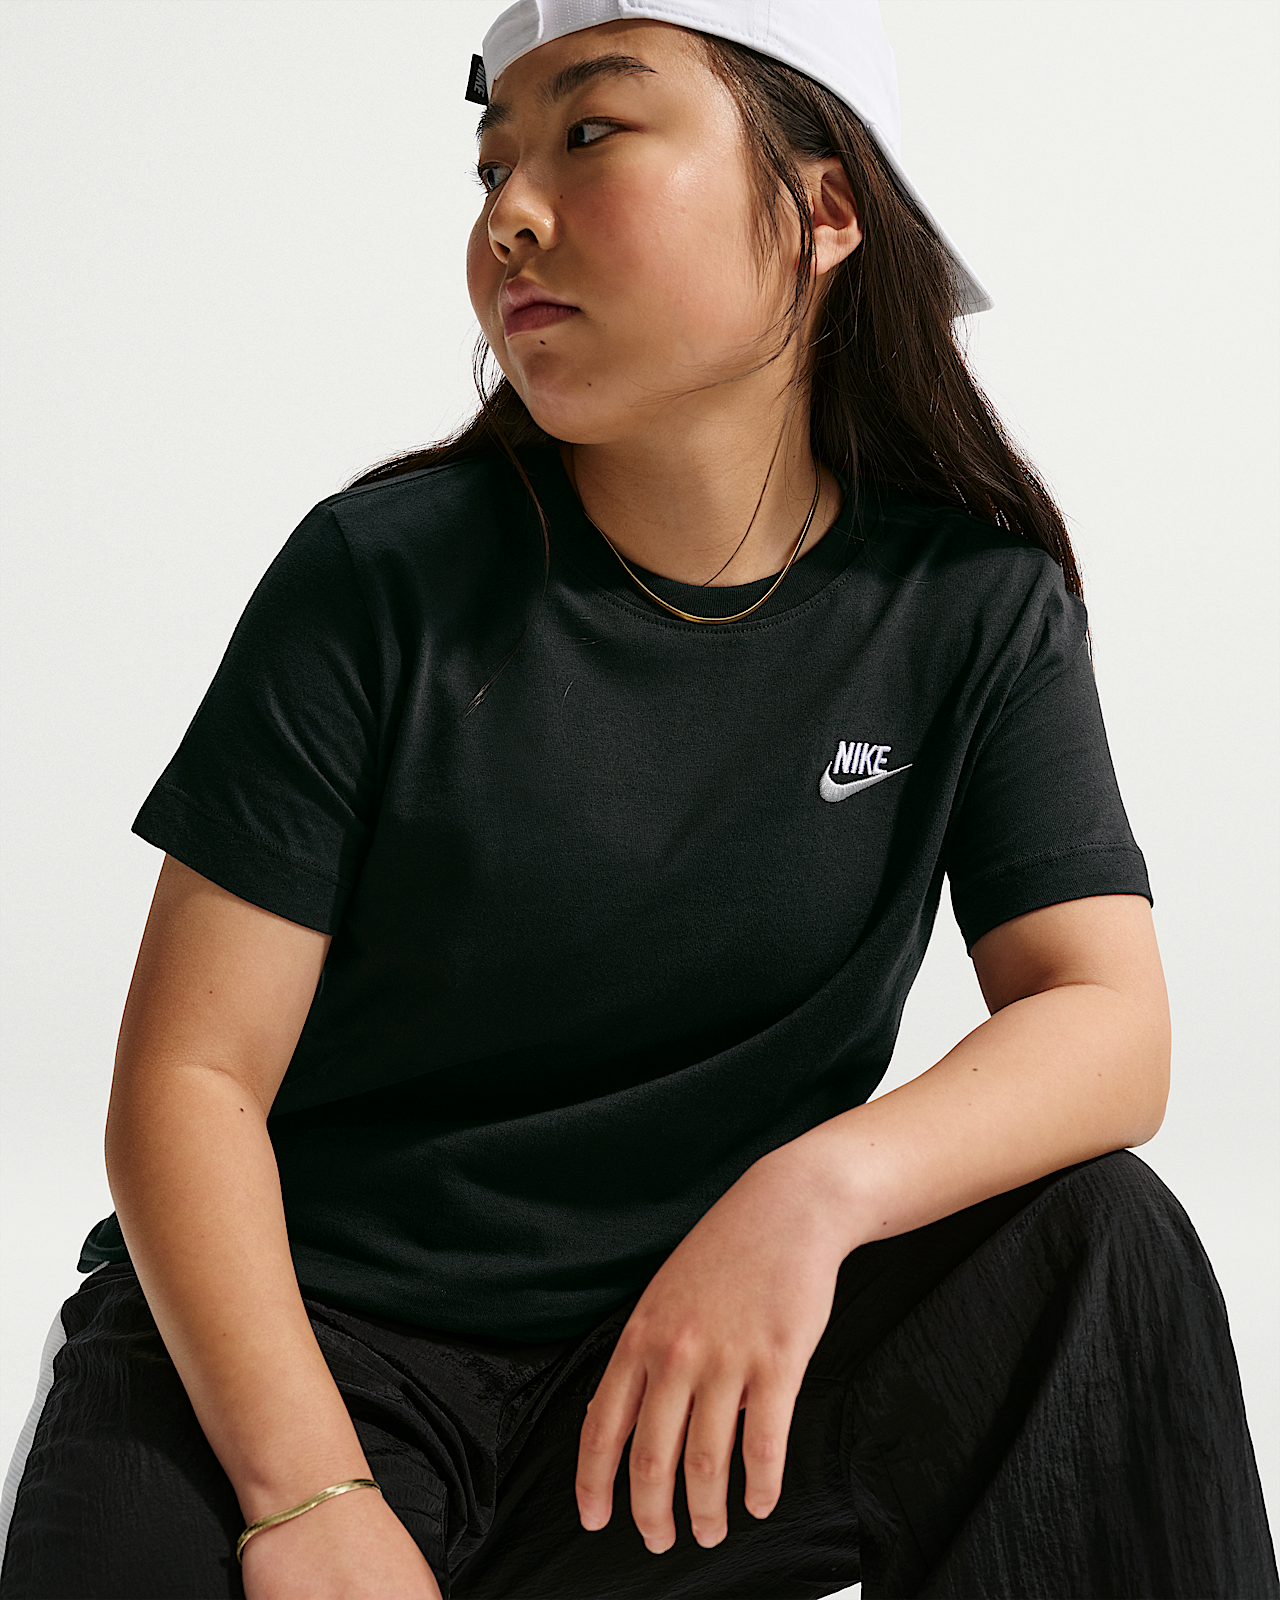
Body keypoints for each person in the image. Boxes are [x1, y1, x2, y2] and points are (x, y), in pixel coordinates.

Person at [1, 1, 1276, 1596]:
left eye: (591, 133)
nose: (511, 214)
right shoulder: (377, 581)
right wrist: (306, 1495)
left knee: (1098, 1245)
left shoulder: (970, 607)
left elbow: (1106, 1021)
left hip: (678, 1378)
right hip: (294, 1353)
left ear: (824, 208)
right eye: (493, 166)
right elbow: (188, 1081)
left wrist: (810, 1195)